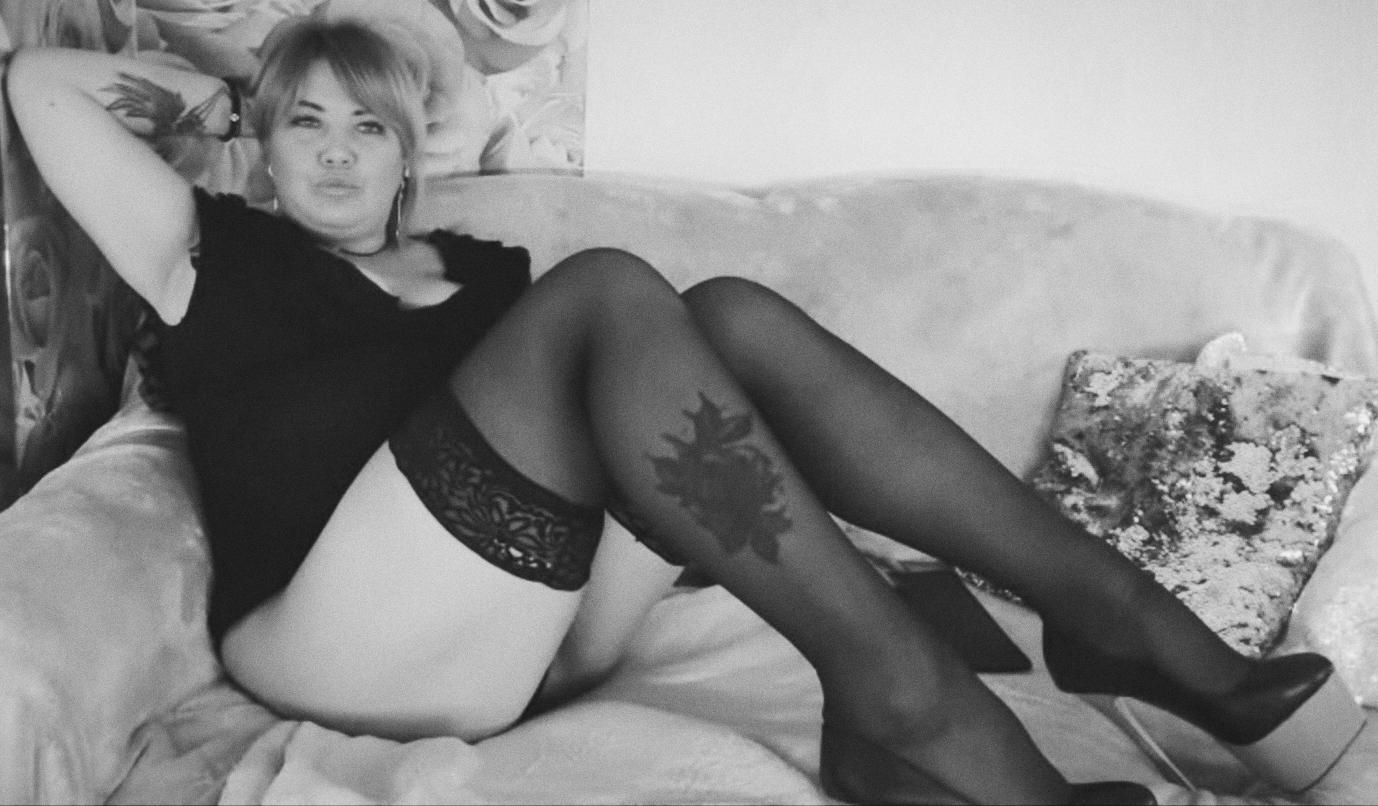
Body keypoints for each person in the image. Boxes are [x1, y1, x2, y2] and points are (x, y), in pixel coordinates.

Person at [5, 12, 1363, 805]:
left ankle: (1100, 609)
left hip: (532, 637)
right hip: (332, 646)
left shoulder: (481, 275)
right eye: (306, 122)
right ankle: (916, 694)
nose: (338, 152)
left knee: (729, 316)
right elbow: (38, 86)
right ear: (268, 141)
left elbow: (594, 468)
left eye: (368, 125)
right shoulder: (212, 255)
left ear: (410, 151)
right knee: (609, 293)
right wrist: (226, 92)